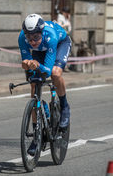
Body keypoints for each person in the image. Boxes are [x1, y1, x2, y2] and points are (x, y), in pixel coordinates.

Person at [18, 13, 72, 156]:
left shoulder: (51, 36)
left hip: (60, 44)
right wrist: (27, 64)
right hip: (41, 51)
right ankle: (37, 136)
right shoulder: (22, 39)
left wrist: (36, 65)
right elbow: (27, 63)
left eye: (36, 37)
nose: (32, 41)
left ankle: (65, 106)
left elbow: (47, 71)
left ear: (41, 32)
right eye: (29, 37)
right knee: (34, 83)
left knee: (55, 73)